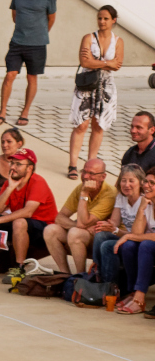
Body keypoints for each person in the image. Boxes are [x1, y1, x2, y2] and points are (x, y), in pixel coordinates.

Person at [0, 149, 57, 277]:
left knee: (19, 222)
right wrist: (9, 188)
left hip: (44, 228)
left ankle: (18, 268)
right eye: (12, 163)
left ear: (30, 168)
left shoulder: (38, 182)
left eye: (18, 164)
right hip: (19, 224)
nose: (13, 167)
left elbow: (28, 212)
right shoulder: (10, 182)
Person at [0, 0, 57, 127]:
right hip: (17, 41)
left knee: (32, 77)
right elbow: (15, 16)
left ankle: (25, 112)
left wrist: (40, 33)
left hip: (37, 44)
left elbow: (51, 18)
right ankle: (2, 111)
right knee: (10, 75)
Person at [69, 5, 124, 180]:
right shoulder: (88, 38)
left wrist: (96, 61)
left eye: (106, 18)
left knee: (98, 125)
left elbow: (117, 65)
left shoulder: (118, 41)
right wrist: (106, 62)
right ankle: (72, 164)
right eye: (100, 18)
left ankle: (90, 164)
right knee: (81, 125)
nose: (102, 21)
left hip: (106, 87)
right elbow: (84, 62)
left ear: (113, 20)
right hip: (86, 84)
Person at [46, 157, 114, 275]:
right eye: (84, 171)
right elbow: (59, 217)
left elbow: (82, 223)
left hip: (102, 239)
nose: (86, 176)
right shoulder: (81, 187)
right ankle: (65, 274)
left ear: (103, 177)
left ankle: (80, 275)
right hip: (87, 232)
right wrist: (77, 225)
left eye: (91, 173)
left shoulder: (110, 194)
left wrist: (84, 194)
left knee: (75, 233)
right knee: (50, 230)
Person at [94, 165, 146, 294]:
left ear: (140, 183)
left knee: (108, 245)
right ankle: (97, 274)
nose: (126, 184)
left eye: (131, 181)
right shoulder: (121, 197)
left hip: (140, 240)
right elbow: (114, 223)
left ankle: (110, 288)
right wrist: (104, 226)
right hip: (127, 236)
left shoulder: (144, 201)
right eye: (123, 180)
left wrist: (115, 230)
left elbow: (137, 234)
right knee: (101, 235)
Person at [121, 110, 155, 177]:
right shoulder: (130, 153)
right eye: (132, 126)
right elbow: (121, 181)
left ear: (152, 130)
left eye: (139, 127)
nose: (133, 131)